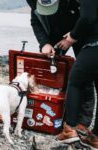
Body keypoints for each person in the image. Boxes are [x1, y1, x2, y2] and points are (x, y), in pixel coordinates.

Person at [26, 0, 95, 135]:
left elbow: (86, 18)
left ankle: (83, 121)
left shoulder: (74, 2)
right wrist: (44, 43)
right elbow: (35, 22)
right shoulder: (33, 2)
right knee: (52, 74)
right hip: (54, 34)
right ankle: (55, 112)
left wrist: (73, 36)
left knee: (83, 76)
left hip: (79, 32)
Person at [56, 0, 98, 149]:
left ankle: (69, 129)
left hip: (94, 45)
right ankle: (95, 139)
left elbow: (88, 17)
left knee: (75, 81)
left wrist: (72, 37)